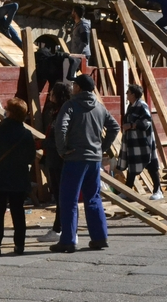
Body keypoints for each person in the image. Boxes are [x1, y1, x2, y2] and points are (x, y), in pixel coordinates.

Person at [51, 74, 120, 253]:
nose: (72, 87)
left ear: (79, 88)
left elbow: (61, 127)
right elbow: (114, 127)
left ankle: (68, 240)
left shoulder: (70, 105)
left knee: (69, 199)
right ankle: (100, 237)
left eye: (74, 85)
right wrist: (102, 147)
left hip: (75, 158)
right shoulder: (99, 107)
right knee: (93, 197)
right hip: (94, 160)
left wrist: (62, 149)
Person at [0, 97, 36, 256]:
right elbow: (31, 157)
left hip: (0, 178)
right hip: (19, 178)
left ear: (10, 113)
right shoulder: (26, 134)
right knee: (18, 212)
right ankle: (19, 246)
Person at [37, 81, 72, 243]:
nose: (49, 95)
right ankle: (61, 227)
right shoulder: (57, 112)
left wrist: (42, 143)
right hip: (54, 159)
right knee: (60, 196)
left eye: (52, 93)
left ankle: (59, 228)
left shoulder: (62, 114)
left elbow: (60, 141)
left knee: (61, 196)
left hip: (59, 160)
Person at [117, 84, 163, 201]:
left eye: (128, 92)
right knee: (132, 165)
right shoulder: (131, 106)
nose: (126, 94)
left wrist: (132, 125)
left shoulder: (142, 105)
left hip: (143, 142)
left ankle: (158, 190)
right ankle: (128, 191)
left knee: (151, 164)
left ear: (133, 94)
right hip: (133, 142)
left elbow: (146, 122)